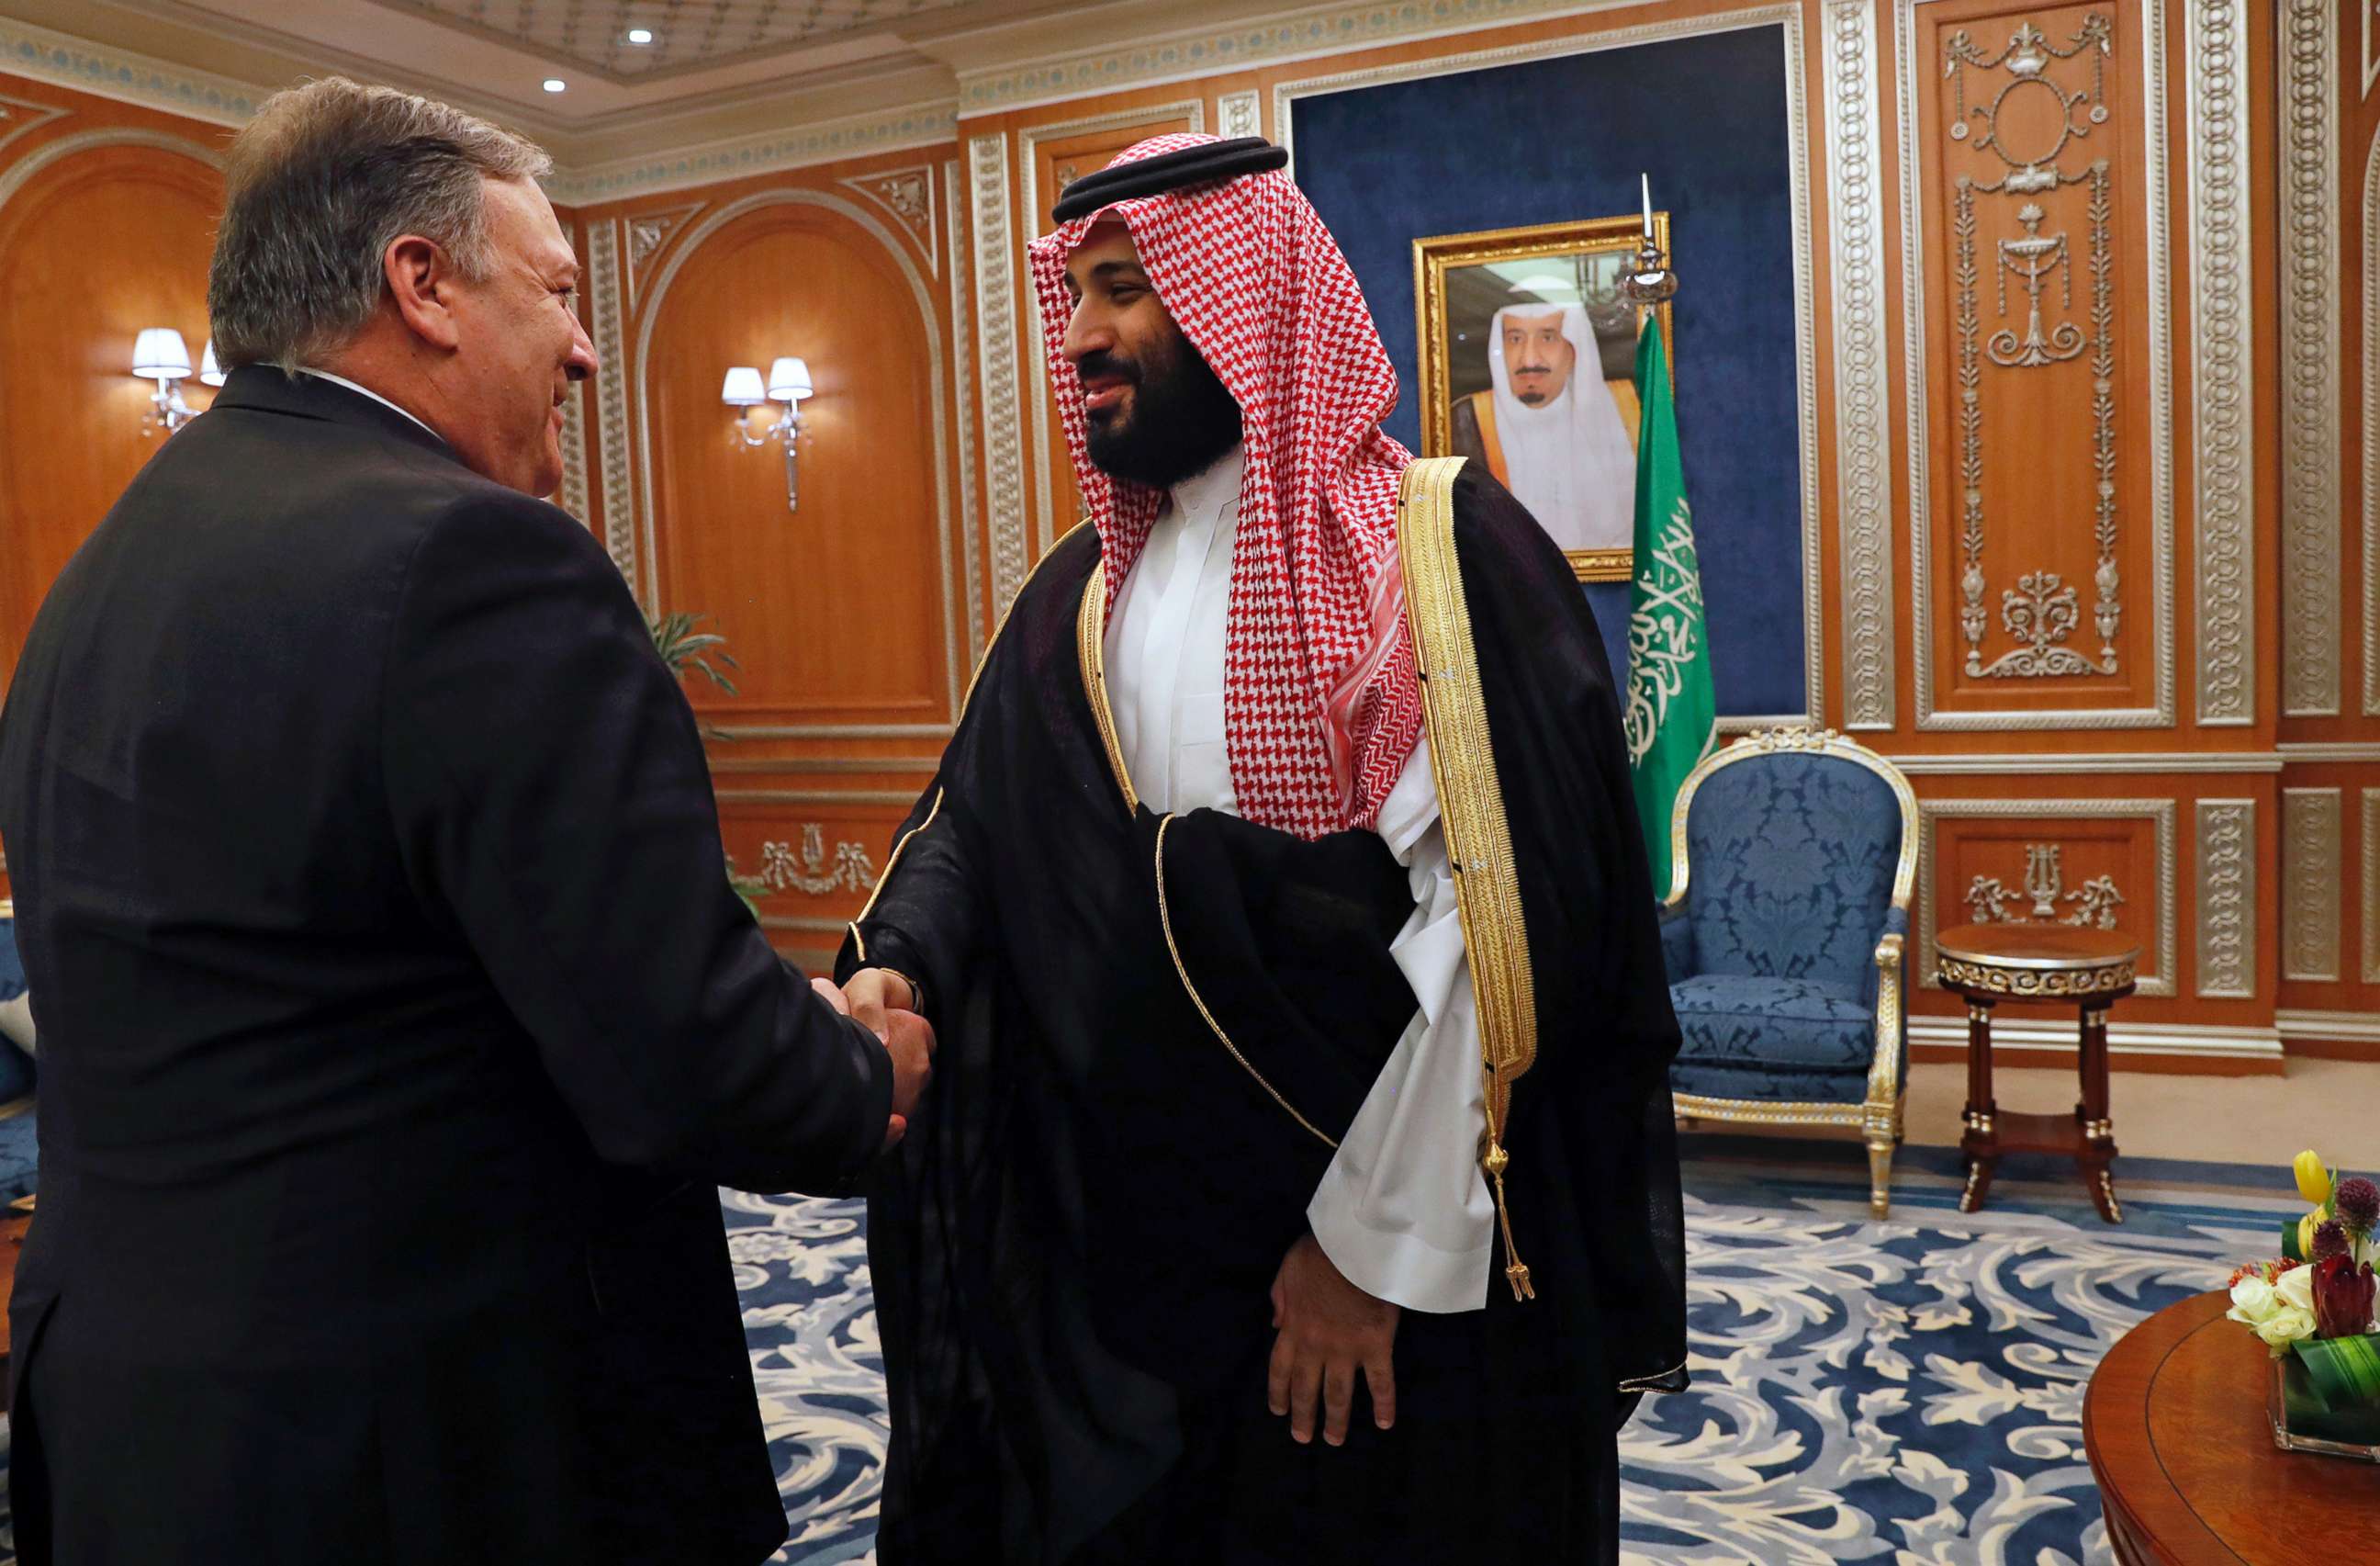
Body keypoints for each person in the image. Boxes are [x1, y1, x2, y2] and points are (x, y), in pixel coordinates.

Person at [0, 77, 931, 1566]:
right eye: (557, 291)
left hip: (134, 1429)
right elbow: (682, 1061)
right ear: (419, 284)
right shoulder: (475, 561)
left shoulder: (105, 566)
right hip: (418, 1449)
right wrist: (853, 1062)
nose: (579, 346)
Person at [836, 133, 1685, 1564]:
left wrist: (1366, 1253)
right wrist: (902, 966)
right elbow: (974, 823)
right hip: (1147, 1227)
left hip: (1379, 1239)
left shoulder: (1438, 551)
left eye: (1126, 289)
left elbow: (1496, 935)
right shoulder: (1082, 589)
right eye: (1075, 295)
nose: (1085, 335)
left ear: (1248, 299)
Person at [1449, 297, 1641, 551]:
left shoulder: (1628, 408)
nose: (1529, 358)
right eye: (1515, 339)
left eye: (1547, 337)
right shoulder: (1466, 420)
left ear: (1573, 350)